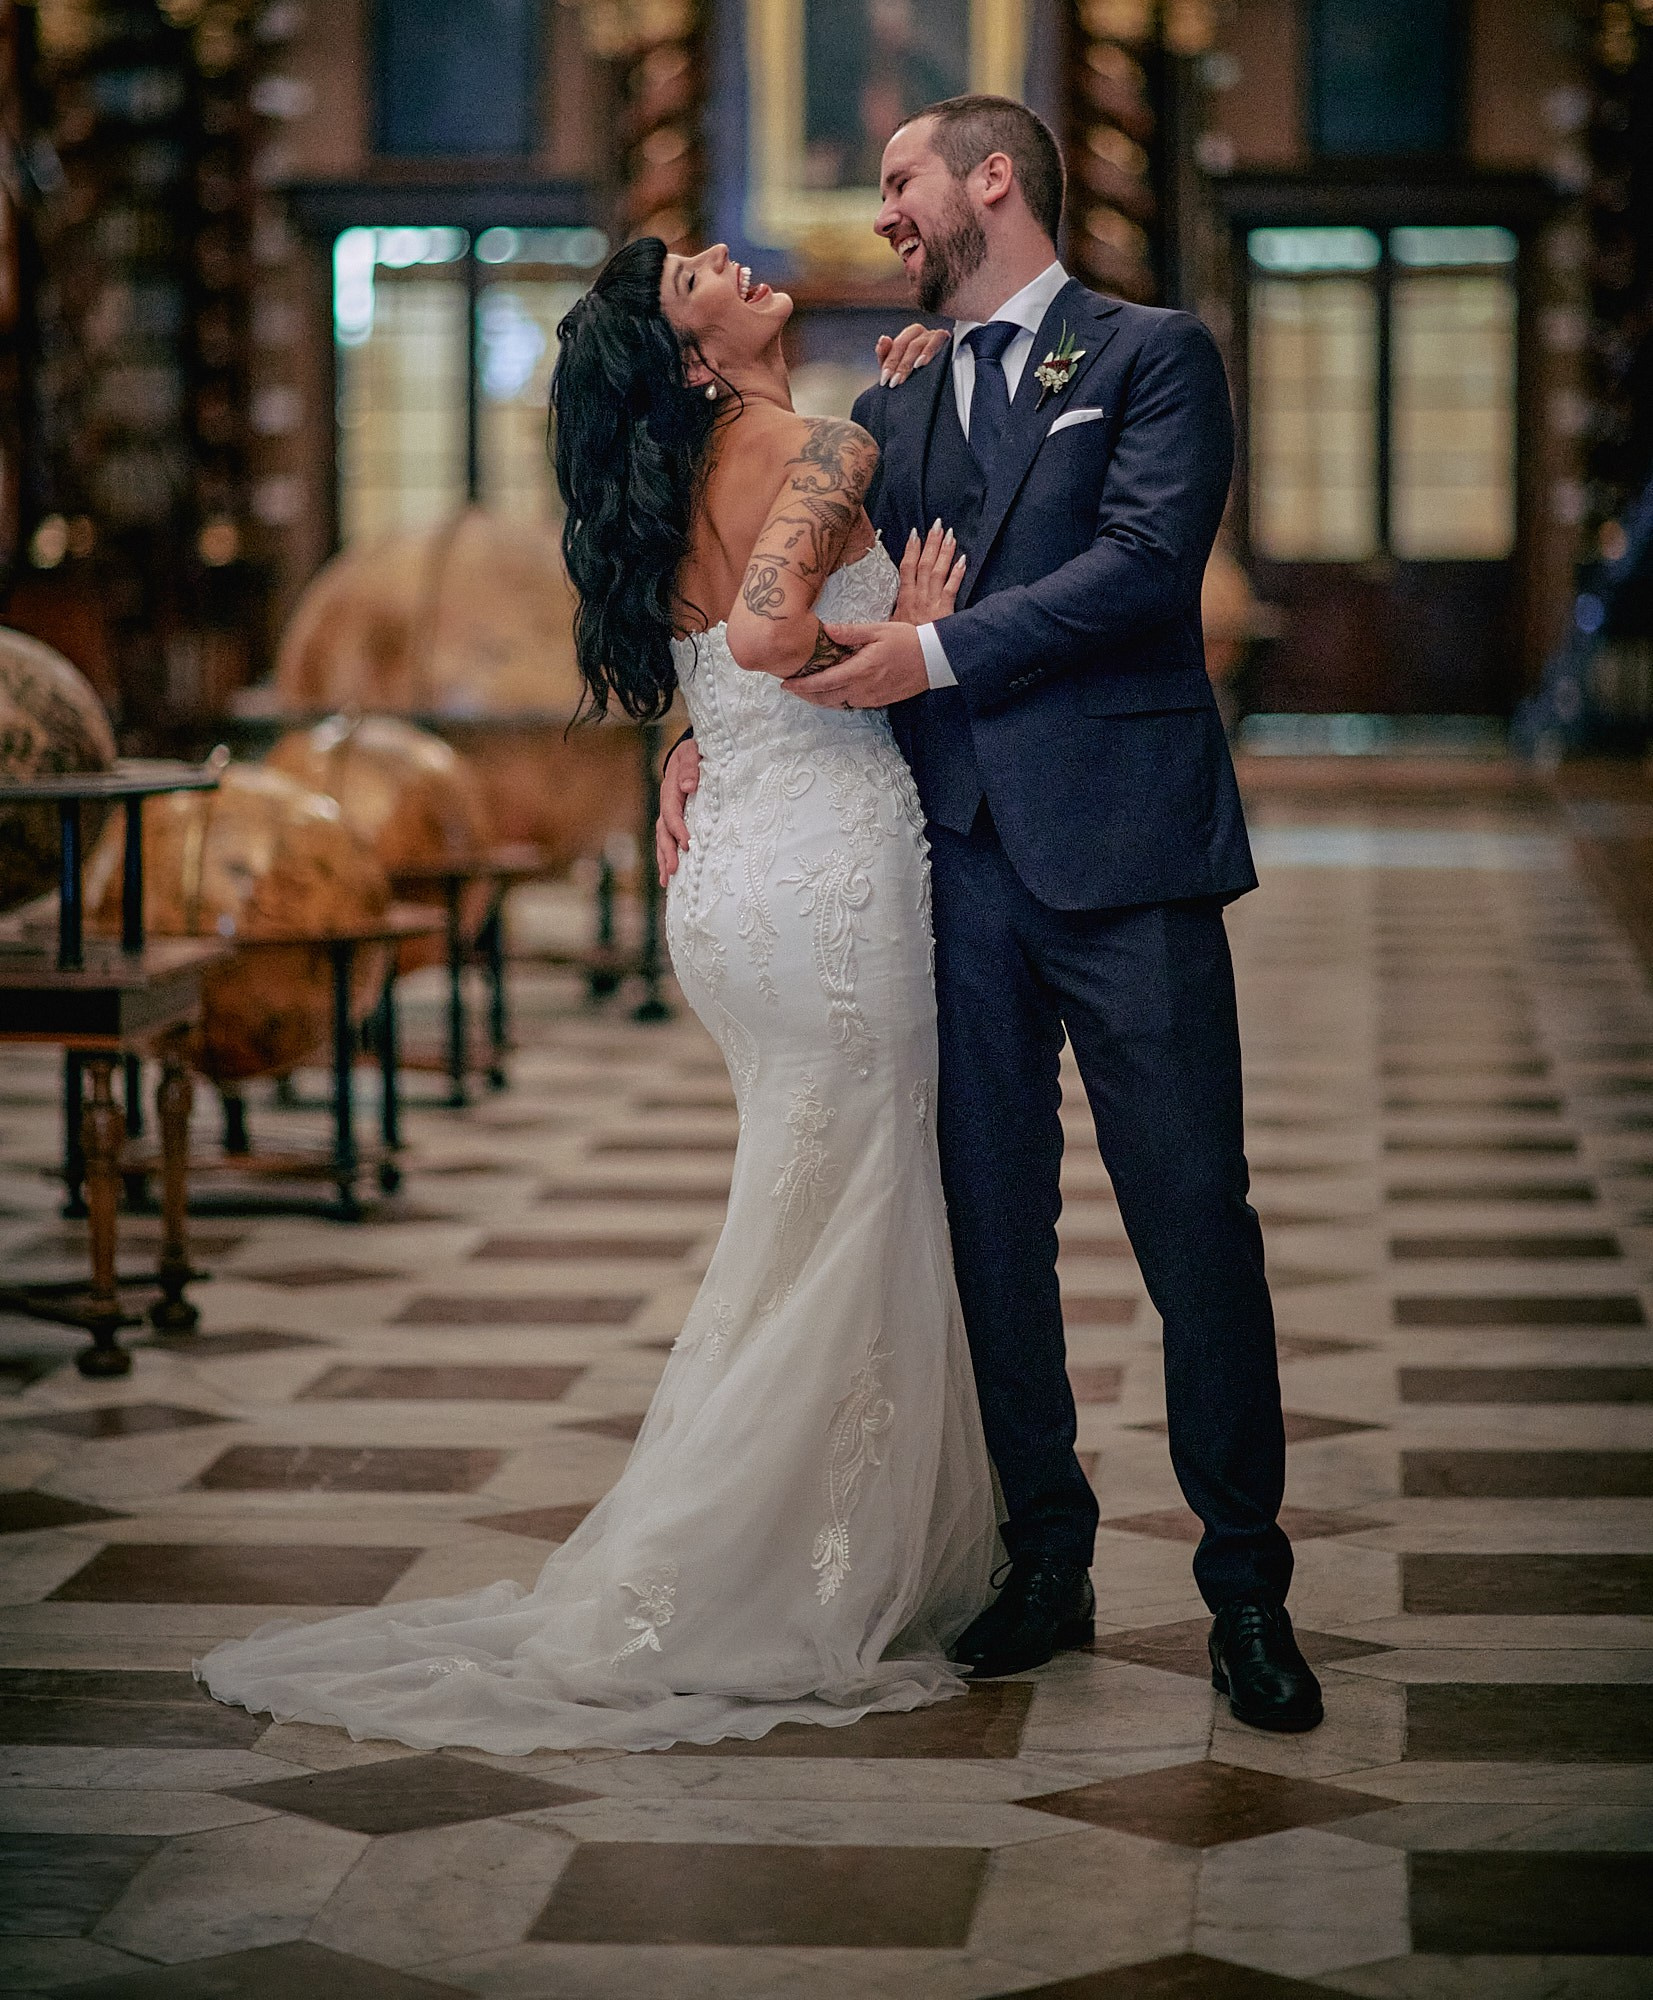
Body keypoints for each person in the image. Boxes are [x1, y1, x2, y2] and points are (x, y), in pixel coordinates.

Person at [195, 234, 1000, 1754]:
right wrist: (911, 636)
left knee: (808, 1209)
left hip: (735, 875)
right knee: (855, 1203)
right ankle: (781, 1567)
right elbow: (766, 636)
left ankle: (791, 1540)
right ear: (690, 354)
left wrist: (721, 726)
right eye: (697, 279)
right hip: (827, 868)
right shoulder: (815, 445)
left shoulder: (702, 466)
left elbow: (717, 668)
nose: (730, 261)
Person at [661, 96, 1324, 1733]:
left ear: (989, 179)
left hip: (1126, 850)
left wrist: (936, 659)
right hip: (950, 863)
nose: (878, 211)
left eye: (895, 180)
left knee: (1193, 1228)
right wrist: (696, 730)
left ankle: (1246, 1591)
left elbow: (1145, 564)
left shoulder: (1152, 353)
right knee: (989, 1233)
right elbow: (792, 599)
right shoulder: (902, 395)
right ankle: (1048, 1555)